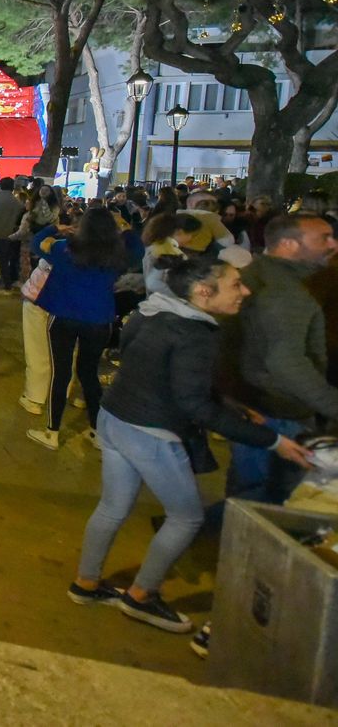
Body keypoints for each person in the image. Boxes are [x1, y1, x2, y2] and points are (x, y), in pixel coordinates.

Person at [69, 257, 312, 635]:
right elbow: (194, 405)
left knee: (112, 506)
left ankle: (85, 584)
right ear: (202, 291)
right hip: (151, 433)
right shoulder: (196, 334)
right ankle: (141, 596)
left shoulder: (150, 312)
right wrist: (274, 441)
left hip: (114, 418)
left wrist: (232, 406)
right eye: (235, 285)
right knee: (186, 517)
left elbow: (155, 369)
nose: (244, 292)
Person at [222, 213, 338, 505]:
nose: (333, 244)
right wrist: (331, 404)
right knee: (264, 498)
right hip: (276, 410)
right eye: (323, 238)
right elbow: (286, 362)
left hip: (255, 403)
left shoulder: (259, 274)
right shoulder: (285, 293)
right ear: (288, 244)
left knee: (253, 493)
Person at [26, 210, 133, 450]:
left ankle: (52, 432)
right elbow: (138, 248)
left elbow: (36, 243)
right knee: (88, 373)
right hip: (98, 319)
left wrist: (57, 229)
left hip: (63, 316)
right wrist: (124, 225)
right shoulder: (117, 254)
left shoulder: (64, 248)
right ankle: (97, 430)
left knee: (60, 373)